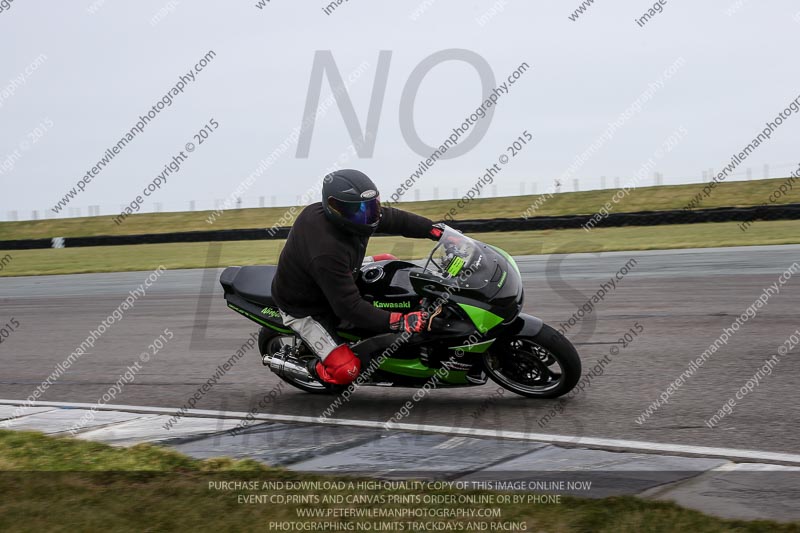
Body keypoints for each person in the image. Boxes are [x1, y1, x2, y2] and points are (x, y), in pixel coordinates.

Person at [271, 169, 444, 386]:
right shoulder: (326, 250)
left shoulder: (356, 216)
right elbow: (348, 308)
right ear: (335, 207)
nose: (369, 215)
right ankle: (310, 367)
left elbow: (393, 218)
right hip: (307, 307)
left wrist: (436, 231)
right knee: (347, 371)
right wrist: (399, 321)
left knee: (388, 260)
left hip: (338, 274)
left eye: (372, 206)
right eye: (360, 209)